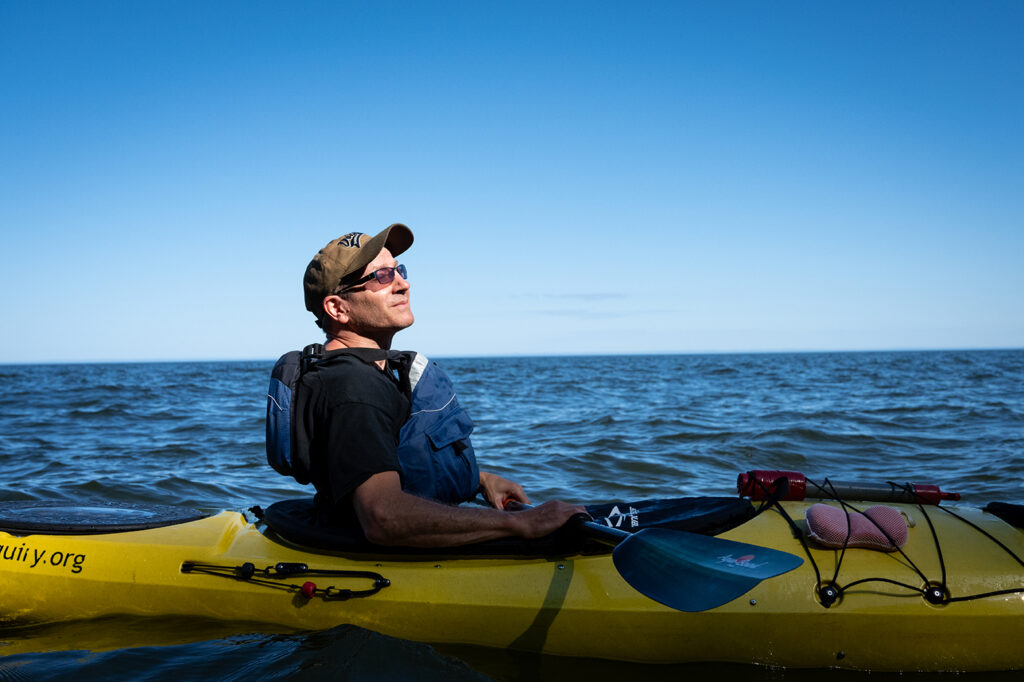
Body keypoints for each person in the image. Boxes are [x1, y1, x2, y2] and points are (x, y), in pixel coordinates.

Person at [297, 223, 585, 547]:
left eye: (399, 270)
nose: (404, 285)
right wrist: (520, 523)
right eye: (381, 276)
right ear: (337, 308)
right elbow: (383, 518)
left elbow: (395, 461)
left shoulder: (367, 373)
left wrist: (480, 481)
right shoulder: (353, 389)